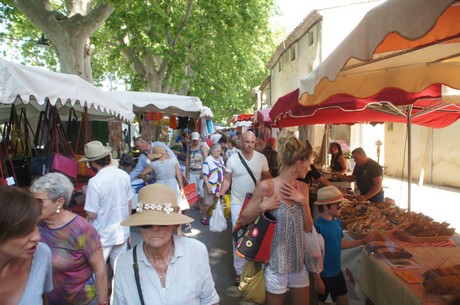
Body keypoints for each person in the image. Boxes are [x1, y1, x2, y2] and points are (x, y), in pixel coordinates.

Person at [113, 184, 220, 305]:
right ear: (139, 225)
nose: (155, 228)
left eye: (162, 223)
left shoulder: (196, 251)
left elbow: (210, 300)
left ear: (174, 225)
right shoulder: (124, 263)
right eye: (146, 223)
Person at [238, 136, 314, 305]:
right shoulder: (267, 187)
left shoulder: (303, 188)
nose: (310, 168)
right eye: (308, 163)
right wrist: (262, 207)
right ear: (299, 163)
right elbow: (243, 219)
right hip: (274, 262)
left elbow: (308, 228)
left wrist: (303, 202)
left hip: (298, 261)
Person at [30, 172, 108, 305]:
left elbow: (100, 269)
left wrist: (102, 302)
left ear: (60, 202)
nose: (34, 206)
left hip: (82, 301)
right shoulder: (35, 226)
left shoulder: (81, 229)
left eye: (40, 202)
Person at [216, 130, 271, 283]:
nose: (250, 145)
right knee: (238, 237)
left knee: (256, 235)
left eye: (252, 142)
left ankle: (254, 268)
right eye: (247, 142)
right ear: (241, 141)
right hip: (237, 203)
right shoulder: (232, 159)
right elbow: (227, 179)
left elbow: (268, 177)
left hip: (256, 203)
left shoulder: (261, 158)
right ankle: (239, 271)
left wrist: (270, 192)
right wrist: (221, 193)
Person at [313, 186, 375, 305]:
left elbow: (341, 244)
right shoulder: (318, 227)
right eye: (338, 205)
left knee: (344, 301)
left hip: (337, 272)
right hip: (325, 276)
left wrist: (363, 241)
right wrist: (317, 279)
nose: (341, 207)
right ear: (326, 206)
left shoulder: (337, 221)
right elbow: (314, 255)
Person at [79, 141, 132, 271]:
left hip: (102, 235)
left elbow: (92, 214)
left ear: (92, 163)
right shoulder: (123, 175)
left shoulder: (94, 182)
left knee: (98, 272)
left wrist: (86, 194)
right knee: (119, 273)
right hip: (121, 232)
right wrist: (128, 229)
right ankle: (114, 291)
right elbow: (129, 204)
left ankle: (103, 291)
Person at [0, 187, 53, 305]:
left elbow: (43, 297)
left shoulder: (41, 254)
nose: (37, 237)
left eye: (37, 225)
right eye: (25, 230)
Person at [139, 145, 191, 234]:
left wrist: (146, 182)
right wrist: (181, 187)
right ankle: (179, 231)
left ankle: (166, 230)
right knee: (176, 207)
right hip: (173, 184)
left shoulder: (154, 164)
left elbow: (142, 174)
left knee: (163, 208)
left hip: (160, 185)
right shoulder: (173, 161)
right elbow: (178, 174)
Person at [202, 143, 225, 225]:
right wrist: (208, 187)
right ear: (212, 151)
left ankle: (220, 220)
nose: (220, 152)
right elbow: (205, 175)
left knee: (220, 203)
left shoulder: (221, 159)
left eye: (220, 150)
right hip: (211, 186)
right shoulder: (208, 160)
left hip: (220, 186)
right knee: (208, 203)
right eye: (218, 151)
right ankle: (204, 216)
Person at [186, 131, 209, 205]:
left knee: (201, 190)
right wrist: (187, 170)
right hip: (192, 171)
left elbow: (206, 160)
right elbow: (187, 158)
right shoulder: (189, 147)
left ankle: (202, 206)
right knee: (193, 189)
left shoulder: (203, 147)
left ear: (199, 139)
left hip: (200, 172)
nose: (195, 142)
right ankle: (197, 204)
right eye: (194, 140)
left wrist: (203, 172)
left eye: (196, 140)